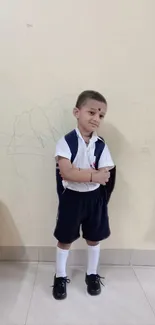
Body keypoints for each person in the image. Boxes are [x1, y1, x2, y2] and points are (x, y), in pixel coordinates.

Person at [53, 90, 115, 300]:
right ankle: (60, 276)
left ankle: (91, 274)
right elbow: (66, 172)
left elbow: (105, 176)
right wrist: (92, 175)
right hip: (72, 198)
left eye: (101, 115)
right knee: (65, 238)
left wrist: (82, 175)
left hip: (94, 200)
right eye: (92, 112)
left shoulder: (101, 144)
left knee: (94, 238)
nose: (96, 118)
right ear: (77, 112)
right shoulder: (66, 142)